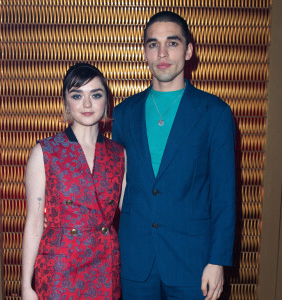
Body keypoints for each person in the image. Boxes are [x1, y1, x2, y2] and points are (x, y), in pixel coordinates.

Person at [112, 11, 235, 300]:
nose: (162, 53)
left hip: (193, 262)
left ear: (189, 50)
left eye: (173, 43)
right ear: (145, 52)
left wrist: (217, 261)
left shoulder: (214, 113)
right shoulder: (123, 113)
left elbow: (224, 196)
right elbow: (114, 185)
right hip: (135, 262)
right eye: (153, 44)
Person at [21, 63, 125, 300]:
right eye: (77, 95)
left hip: (105, 266)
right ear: (66, 101)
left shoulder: (119, 154)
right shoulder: (45, 151)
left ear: (106, 101)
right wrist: (26, 285)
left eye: (95, 95)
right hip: (59, 267)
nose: (87, 104)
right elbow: (35, 221)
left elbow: (132, 213)